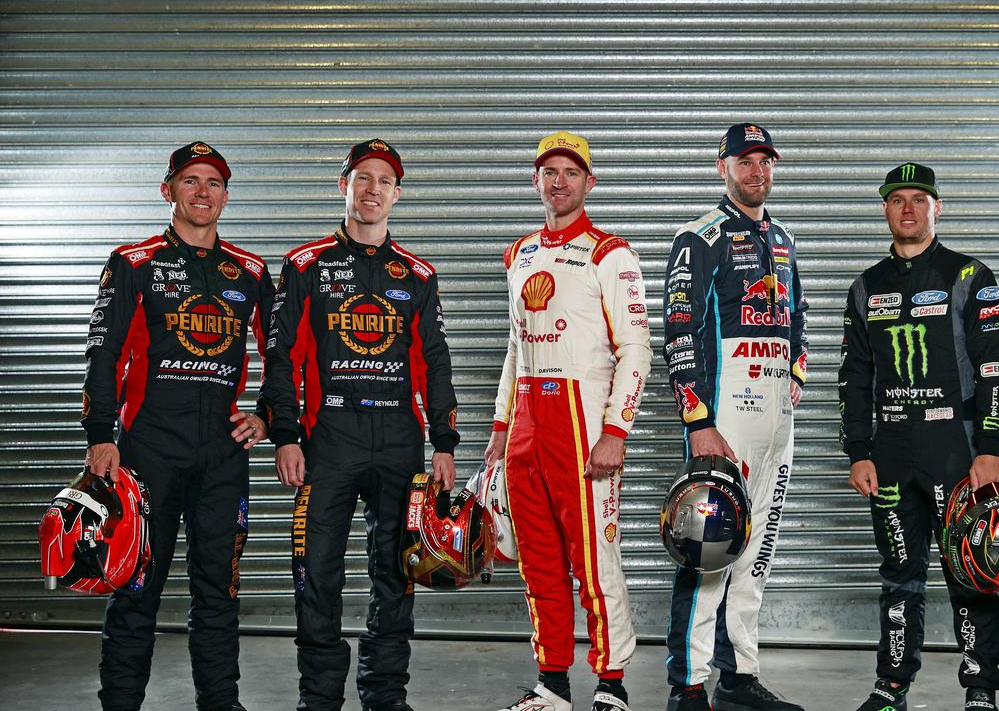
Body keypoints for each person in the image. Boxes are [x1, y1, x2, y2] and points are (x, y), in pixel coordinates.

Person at [261, 139, 460, 711]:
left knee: (396, 572)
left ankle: (384, 695)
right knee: (315, 572)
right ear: (342, 185)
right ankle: (319, 698)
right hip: (330, 439)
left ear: (398, 194)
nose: (372, 189)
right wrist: (287, 435)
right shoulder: (305, 265)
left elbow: (435, 362)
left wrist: (444, 442)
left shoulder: (418, 274)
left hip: (400, 440)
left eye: (384, 181)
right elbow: (282, 359)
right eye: (362, 177)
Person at [83, 141, 273, 711]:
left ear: (225, 197)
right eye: (189, 181)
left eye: (212, 183)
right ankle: (120, 704)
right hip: (147, 454)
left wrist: (266, 414)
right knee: (135, 588)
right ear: (168, 190)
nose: (201, 192)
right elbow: (103, 352)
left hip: (222, 454)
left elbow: (286, 355)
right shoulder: (132, 263)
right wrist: (100, 436)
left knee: (219, 593)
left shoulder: (252, 271)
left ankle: (221, 702)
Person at [482, 131, 651, 711]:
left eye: (570, 172)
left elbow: (636, 348)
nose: (559, 182)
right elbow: (513, 346)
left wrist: (616, 430)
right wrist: (500, 430)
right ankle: (552, 684)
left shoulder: (612, 254)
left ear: (589, 182)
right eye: (549, 172)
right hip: (528, 417)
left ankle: (612, 685)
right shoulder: (518, 253)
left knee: (595, 562)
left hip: (583, 421)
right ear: (536, 182)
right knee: (538, 561)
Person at [838, 163, 999, 711]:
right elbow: (854, 377)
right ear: (885, 209)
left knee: (971, 571)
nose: (908, 208)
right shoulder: (866, 286)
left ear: (938, 207)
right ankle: (891, 686)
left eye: (919, 198)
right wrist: (858, 453)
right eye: (897, 200)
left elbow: (995, 369)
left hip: (955, 451)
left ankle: (980, 689)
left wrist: (989, 448)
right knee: (898, 577)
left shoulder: (969, 277)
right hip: (890, 454)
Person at [661, 123, 808, 711]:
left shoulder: (786, 241)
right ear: (721, 166)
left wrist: (796, 372)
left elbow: (800, 316)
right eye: (745, 161)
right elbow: (678, 332)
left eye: (765, 161)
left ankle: (739, 676)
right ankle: (689, 684)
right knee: (709, 548)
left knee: (757, 550)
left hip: (777, 422)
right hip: (724, 419)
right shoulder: (701, 238)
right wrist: (697, 422)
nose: (757, 172)